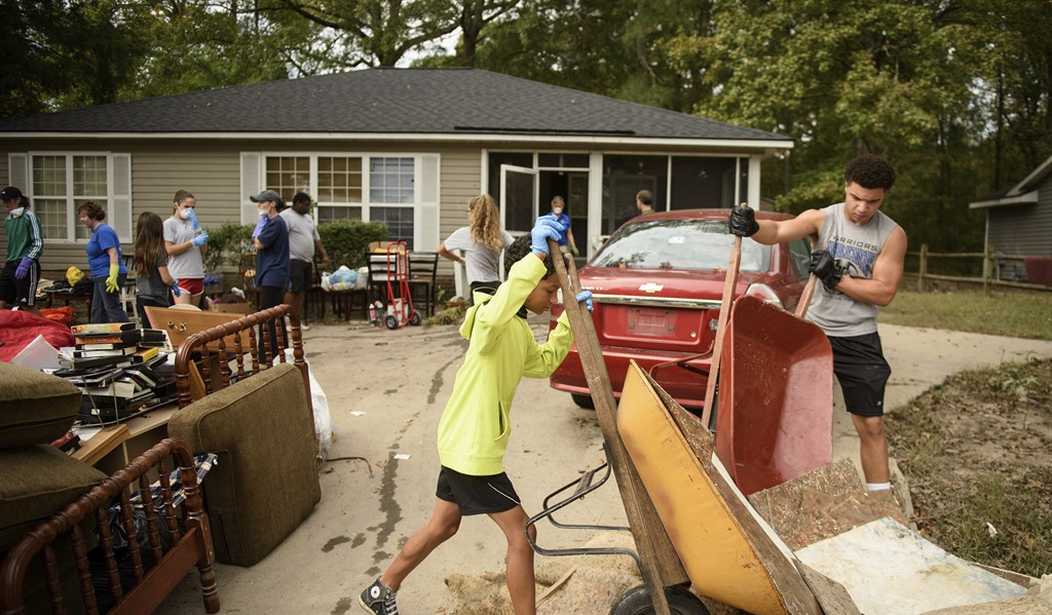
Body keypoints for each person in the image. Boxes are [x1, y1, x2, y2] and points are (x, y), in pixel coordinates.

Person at [358, 217, 593, 615]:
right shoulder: (490, 317)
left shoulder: (515, 330)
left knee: (443, 525)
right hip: (473, 449)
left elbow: (542, 363)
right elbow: (500, 306)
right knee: (523, 532)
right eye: (549, 290)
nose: (551, 299)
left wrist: (569, 319)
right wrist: (537, 256)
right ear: (526, 279)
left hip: (463, 443)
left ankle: (382, 590)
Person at [728, 154, 906, 494]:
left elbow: (883, 292)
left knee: (871, 424)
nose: (861, 208)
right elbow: (778, 230)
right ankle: (787, 491)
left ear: (883, 198)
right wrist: (752, 226)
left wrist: (834, 278)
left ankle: (881, 502)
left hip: (859, 338)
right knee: (794, 420)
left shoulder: (892, 234)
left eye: (872, 202)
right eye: (855, 198)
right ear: (846, 188)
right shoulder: (823, 218)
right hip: (812, 335)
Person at [438, 193, 514, 296]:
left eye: (469, 211)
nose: (468, 214)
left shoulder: (465, 233)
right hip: (496, 287)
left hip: (478, 288)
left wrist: (460, 260)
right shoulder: (500, 234)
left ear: (474, 213)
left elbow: (441, 250)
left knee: (477, 313)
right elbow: (517, 248)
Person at [280, 191, 329, 330]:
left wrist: (323, 254)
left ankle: (296, 320)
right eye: (306, 205)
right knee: (292, 290)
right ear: (297, 203)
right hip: (292, 259)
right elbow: (280, 237)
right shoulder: (286, 216)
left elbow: (316, 238)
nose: (308, 208)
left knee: (302, 291)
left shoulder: (308, 218)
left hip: (307, 261)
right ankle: (286, 319)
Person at [251, 190, 289, 359]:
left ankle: (266, 355)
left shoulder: (275, 223)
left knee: (267, 317)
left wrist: (259, 225)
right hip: (273, 275)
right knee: (275, 316)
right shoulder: (273, 223)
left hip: (272, 276)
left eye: (262, 202)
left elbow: (258, 243)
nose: (258, 206)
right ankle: (281, 351)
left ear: (272, 203)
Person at [79, 201, 129, 323]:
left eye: (84, 216)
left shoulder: (103, 231)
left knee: (112, 308)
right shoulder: (96, 232)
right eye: (80, 216)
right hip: (99, 276)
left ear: (93, 216)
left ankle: (129, 336)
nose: (81, 219)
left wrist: (112, 275)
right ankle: (98, 337)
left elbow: (113, 253)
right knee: (98, 310)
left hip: (107, 275)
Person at [133, 211, 180, 326]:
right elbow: (165, 278)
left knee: (147, 328)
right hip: (157, 298)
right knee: (160, 329)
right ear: (158, 230)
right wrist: (174, 283)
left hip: (142, 296)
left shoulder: (139, 250)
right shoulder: (159, 251)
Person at [0, 186, 43, 310]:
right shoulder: (8, 220)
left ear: (17, 200)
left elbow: (38, 242)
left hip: (26, 265)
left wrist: (27, 261)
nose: (5, 204)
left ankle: (47, 328)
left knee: (26, 306)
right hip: (10, 264)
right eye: (4, 201)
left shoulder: (29, 216)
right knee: (2, 300)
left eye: (8, 200)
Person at [164, 190, 208, 306]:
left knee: (194, 317)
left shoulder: (194, 224)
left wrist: (198, 231)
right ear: (176, 205)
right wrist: (192, 242)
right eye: (186, 206)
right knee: (184, 316)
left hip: (197, 274)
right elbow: (169, 250)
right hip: (180, 275)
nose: (190, 210)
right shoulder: (169, 224)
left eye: (193, 207)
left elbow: (204, 251)